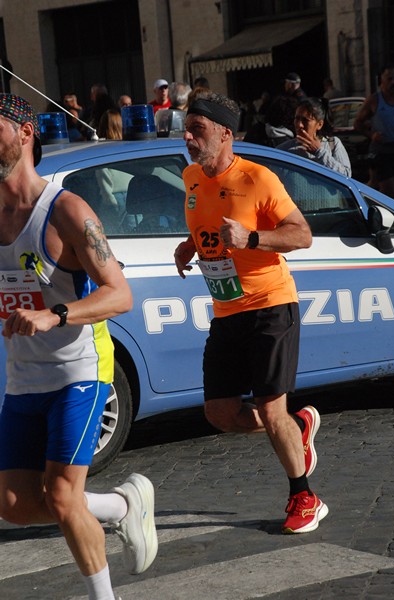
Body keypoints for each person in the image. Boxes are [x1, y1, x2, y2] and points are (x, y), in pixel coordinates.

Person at [0, 94, 158, 600]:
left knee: (63, 498)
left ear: (25, 133)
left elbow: (120, 293)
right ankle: (118, 507)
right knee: (14, 503)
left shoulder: (65, 210)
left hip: (79, 373)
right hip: (24, 379)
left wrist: (54, 315)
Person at [174, 90, 328, 534]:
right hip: (226, 308)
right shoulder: (190, 177)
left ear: (225, 134)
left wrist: (253, 239)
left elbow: (301, 235)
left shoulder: (259, 179)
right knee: (219, 413)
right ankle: (298, 428)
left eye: (197, 130)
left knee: (269, 406)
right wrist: (190, 246)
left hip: (270, 304)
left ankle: (304, 495)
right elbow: (206, 226)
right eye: (187, 128)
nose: (187, 137)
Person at [354, 65, 394, 201]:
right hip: (382, 151)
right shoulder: (375, 100)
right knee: (388, 189)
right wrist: (371, 135)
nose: (393, 82)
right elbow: (357, 123)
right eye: (389, 79)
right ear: (382, 80)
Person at [278, 96, 352, 177]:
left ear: (319, 124)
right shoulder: (284, 150)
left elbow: (346, 175)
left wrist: (319, 152)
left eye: (305, 120)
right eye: (297, 118)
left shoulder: (332, 144)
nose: (299, 125)